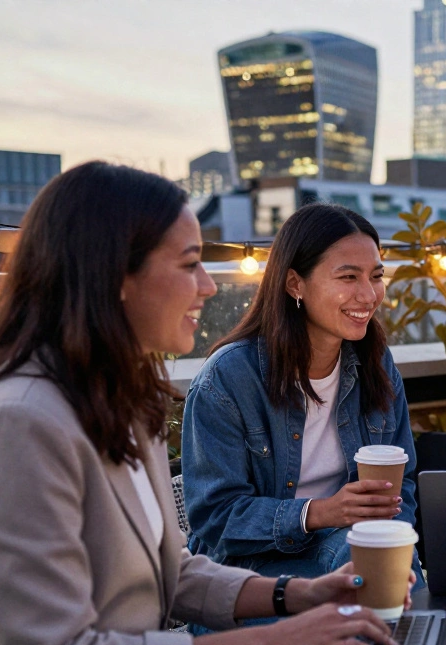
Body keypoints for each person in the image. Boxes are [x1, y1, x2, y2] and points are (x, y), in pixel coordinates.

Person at [0, 162, 446, 645]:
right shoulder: (16, 425)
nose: (211, 285)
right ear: (114, 275)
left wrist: (299, 595)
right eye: (190, 264)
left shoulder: (119, 403)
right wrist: (272, 642)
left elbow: (174, 571)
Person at [182, 203, 424, 589]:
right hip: (245, 575)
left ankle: (409, 640)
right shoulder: (229, 378)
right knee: (366, 573)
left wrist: (390, 538)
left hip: (344, 552)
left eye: (376, 276)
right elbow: (216, 518)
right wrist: (320, 512)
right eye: (348, 276)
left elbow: (403, 483)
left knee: (383, 562)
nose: (368, 294)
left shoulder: (375, 364)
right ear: (295, 284)